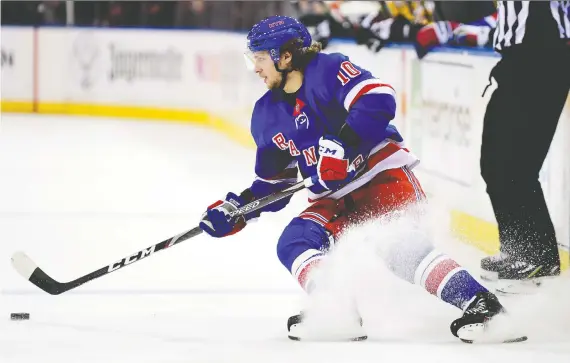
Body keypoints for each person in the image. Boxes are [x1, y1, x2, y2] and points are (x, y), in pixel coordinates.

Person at [198, 15, 525, 343]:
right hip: (332, 199)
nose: (255, 68)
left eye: (259, 57)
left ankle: (484, 307)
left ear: (285, 56)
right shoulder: (266, 114)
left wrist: (342, 144)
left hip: (381, 177)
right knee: (294, 242)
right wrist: (238, 208)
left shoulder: (327, 70)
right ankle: (336, 309)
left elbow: (379, 98)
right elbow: (276, 185)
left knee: (393, 244)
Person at [479, 1, 569, 294]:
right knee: (493, 163)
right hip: (516, 60)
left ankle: (539, 258)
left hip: (543, 55)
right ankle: (516, 248)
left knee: (517, 166)